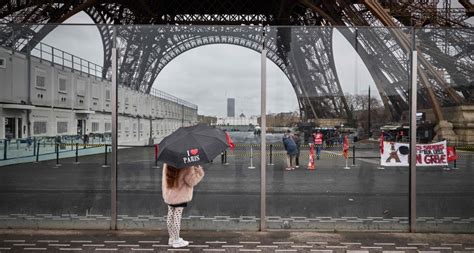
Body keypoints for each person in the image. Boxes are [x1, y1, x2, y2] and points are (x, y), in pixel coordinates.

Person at [162, 163, 205, 248]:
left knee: (170, 214)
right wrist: (199, 171)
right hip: (180, 195)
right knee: (177, 216)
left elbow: (164, 179)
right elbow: (191, 182)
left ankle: (172, 238)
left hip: (170, 193)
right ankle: (177, 241)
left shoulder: (167, 163)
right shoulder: (186, 165)